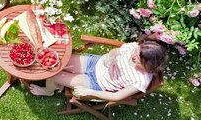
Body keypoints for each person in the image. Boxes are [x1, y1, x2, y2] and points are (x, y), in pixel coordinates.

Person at [29, 35, 168, 101]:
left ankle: (48, 91)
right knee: (57, 61)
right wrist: (110, 57)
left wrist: (89, 91)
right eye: (135, 53)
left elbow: (116, 96)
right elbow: (116, 52)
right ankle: (57, 86)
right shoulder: (136, 47)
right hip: (95, 63)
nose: (133, 56)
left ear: (147, 65)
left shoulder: (140, 81)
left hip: (97, 83)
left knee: (52, 74)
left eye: (137, 58)